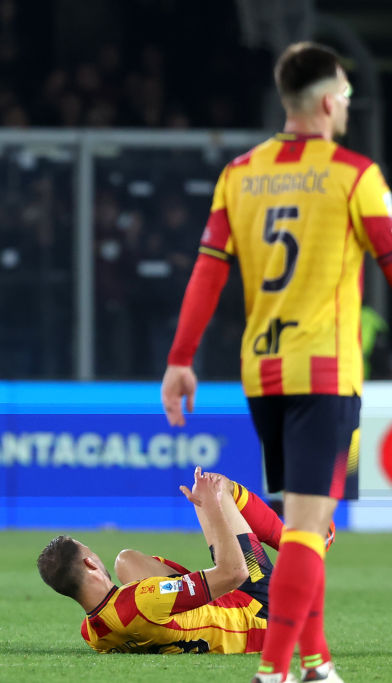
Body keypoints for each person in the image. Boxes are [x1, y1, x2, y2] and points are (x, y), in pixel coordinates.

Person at [161, 42, 392, 683]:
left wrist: (181, 359)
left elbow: (208, 273)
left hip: (263, 374)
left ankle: (316, 663)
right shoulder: (356, 175)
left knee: (299, 526)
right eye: (344, 94)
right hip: (324, 372)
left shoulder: (241, 174)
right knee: (310, 530)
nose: (347, 104)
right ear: (325, 102)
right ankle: (275, 671)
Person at [38, 468, 302, 655]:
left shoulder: (93, 635)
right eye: (91, 551)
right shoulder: (143, 598)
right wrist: (211, 506)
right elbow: (235, 572)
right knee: (217, 489)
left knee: (127, 561)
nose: (97, 555)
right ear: (90, 564)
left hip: (192, 621)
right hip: (261, 616)